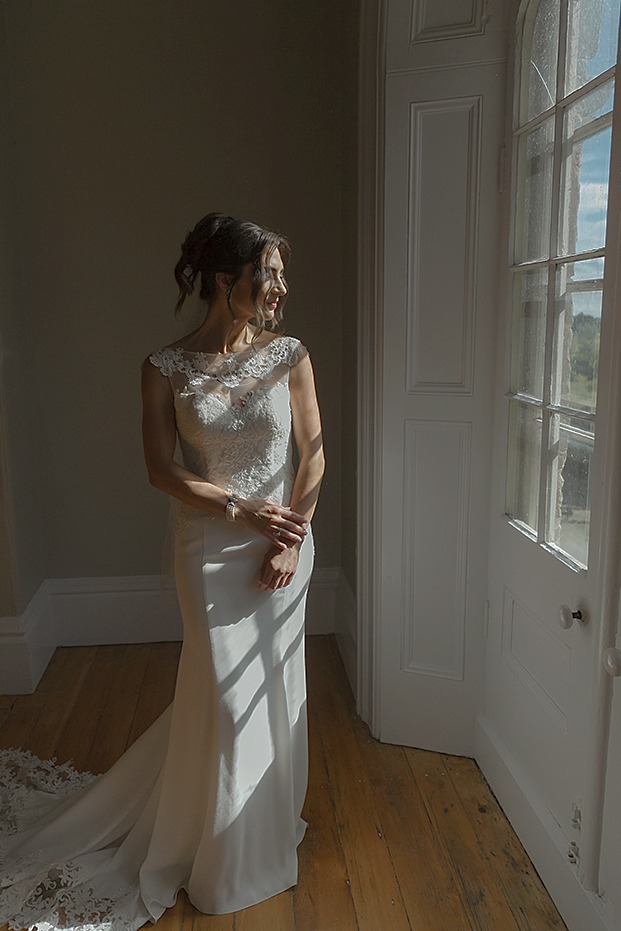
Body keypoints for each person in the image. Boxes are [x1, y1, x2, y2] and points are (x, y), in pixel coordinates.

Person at [0, 213, 324, 929]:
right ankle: (213, 857)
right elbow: (161, 470)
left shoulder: (290, 354)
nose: (279, 285)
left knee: (271, 696)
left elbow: (312, 454)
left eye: (277, 271)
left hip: (282, 549)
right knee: (226, 700)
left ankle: (259, 840)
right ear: (223, 279)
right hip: (208, 550)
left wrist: (291, 542)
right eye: (266, 272)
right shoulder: (163, 367)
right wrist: (241, 510)